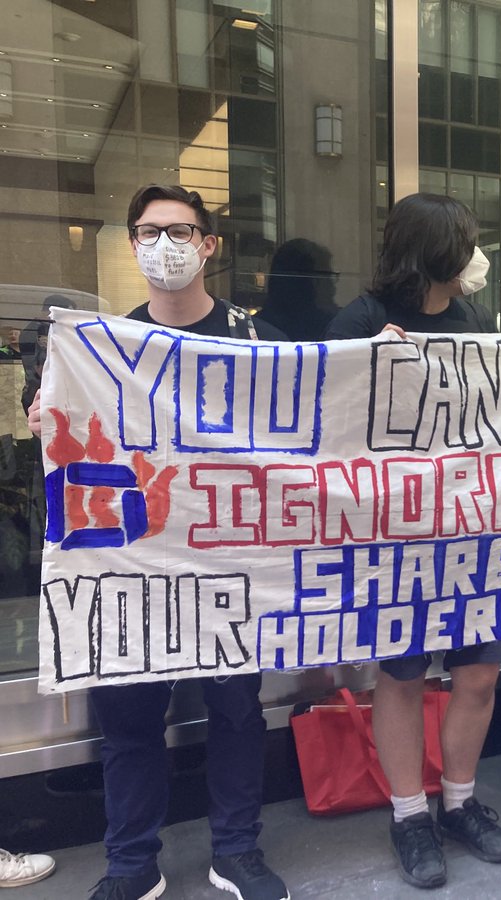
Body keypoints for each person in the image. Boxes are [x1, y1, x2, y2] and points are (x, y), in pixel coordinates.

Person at [28, 185, 290, 900]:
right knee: (129, 717)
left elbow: (315, 420)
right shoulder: (107, 350)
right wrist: (47, 411)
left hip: (229, 563)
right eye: (148, 231)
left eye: (179, 231)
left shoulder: (254, 341)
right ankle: (130, 864)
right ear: (133, 244)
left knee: (237, 711)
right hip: (135, 566)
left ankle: (236, 852)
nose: (162, 245)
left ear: (209, 245)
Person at [324, 193, 501, 890]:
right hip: (394, 540)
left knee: (479, 673)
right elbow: (322, 428)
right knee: (402, 677)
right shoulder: (362, 322)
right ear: (435, 249)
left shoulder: (477, 320)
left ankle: (459, 802)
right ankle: (410, 816)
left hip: (469, 532)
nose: (475, 253)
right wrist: (365, 369)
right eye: (466, 240)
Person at [257, 238, 339, 341]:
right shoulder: (333, 330)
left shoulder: (253, 328)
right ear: (312, 282)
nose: (333, 287)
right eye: (328, 277)